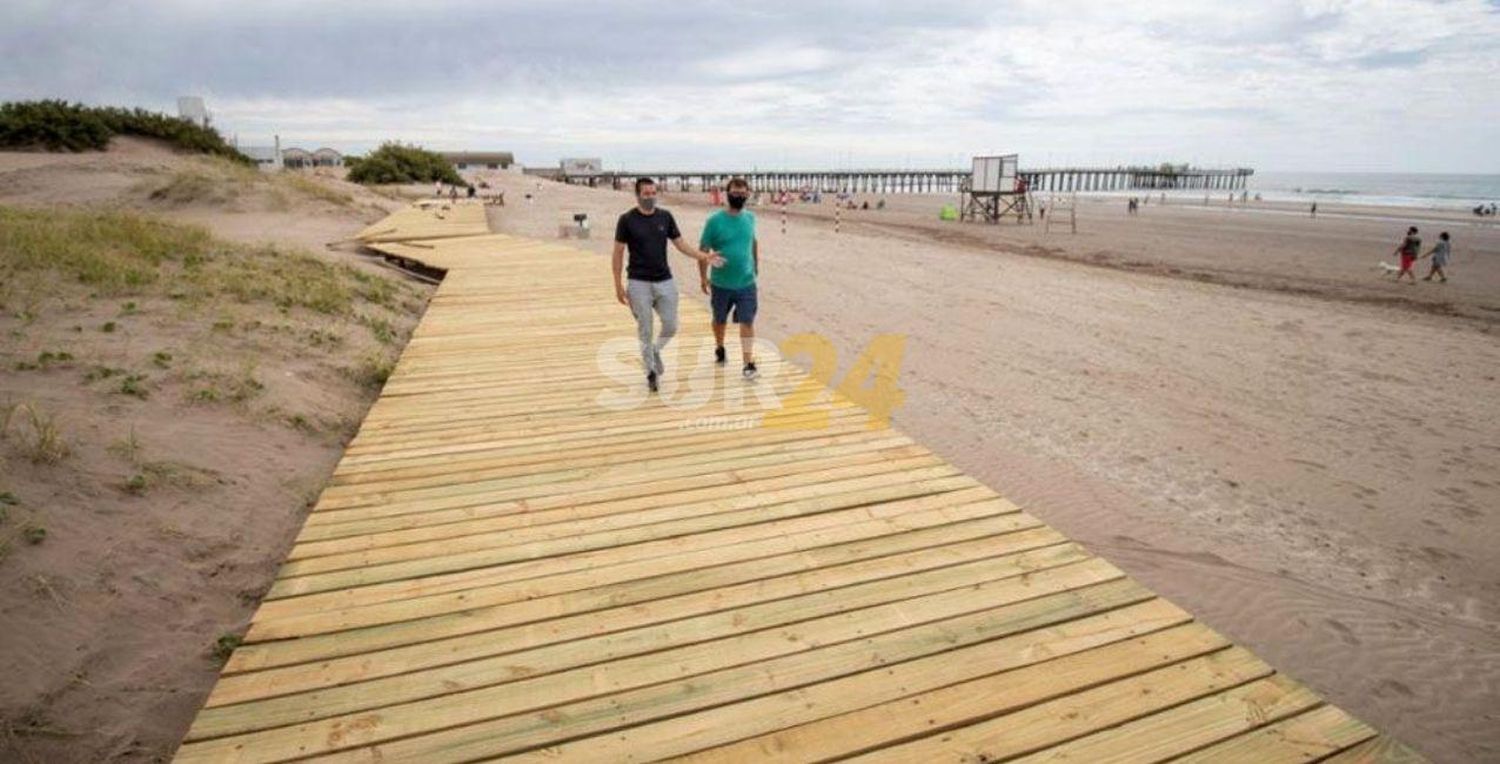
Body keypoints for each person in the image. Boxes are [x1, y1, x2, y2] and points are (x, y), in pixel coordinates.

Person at [613, 177, 722, 392]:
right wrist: (617, 284)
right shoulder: (626, 220)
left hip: (665, 281)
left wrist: (703, 256)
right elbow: (617, 253)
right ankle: (651, 372)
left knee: (671, 325)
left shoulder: (665, 217)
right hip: (638, 282)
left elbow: (680, 244)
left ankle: (655, 350)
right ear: (637, 195)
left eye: (653, 193)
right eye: (646, 194)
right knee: (645, 329)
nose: (650, 197)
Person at [698, 177, 760, 380]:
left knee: (747, 321)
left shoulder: (750, 218)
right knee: (719, 320)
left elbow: (753, 242)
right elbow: (704, 249)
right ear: (727, 193)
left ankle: (748, 362)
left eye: (743, 193)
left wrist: (756, 266)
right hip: (721, 283)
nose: (739, 196)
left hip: (746, 282)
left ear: (747, 194)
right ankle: (720, 346)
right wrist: (703, 276)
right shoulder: (714, 221)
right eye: (735, 192)